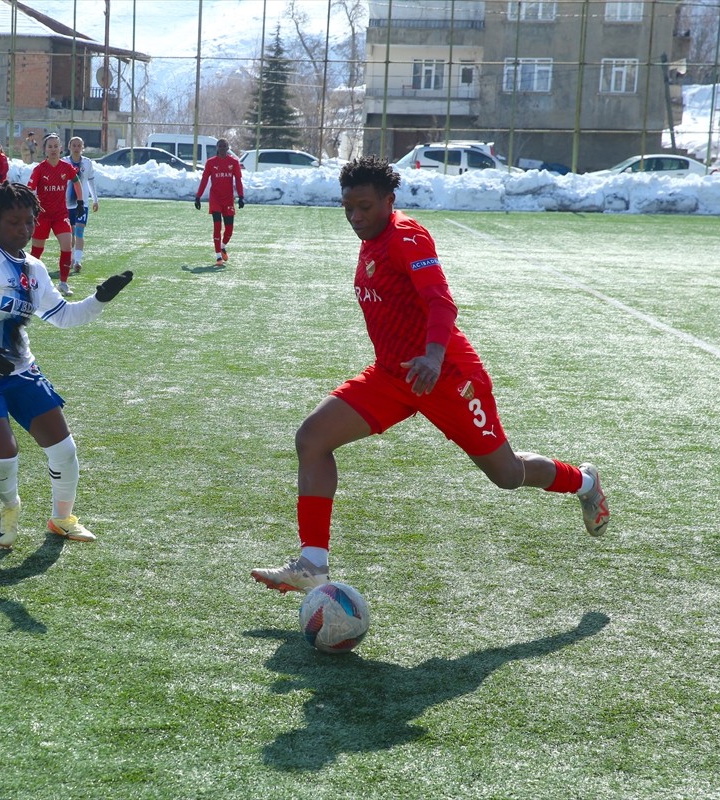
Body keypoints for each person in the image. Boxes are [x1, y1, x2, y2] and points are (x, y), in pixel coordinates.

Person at [250, 155, 610, 594]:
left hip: (448, 377)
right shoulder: (372, 238)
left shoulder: (407, 237)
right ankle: (313, 564)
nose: (355, 216)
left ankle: (584, 482)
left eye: (364, 206)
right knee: (312, 438)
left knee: (507, 475)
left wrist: (434, 357)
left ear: (389, 200)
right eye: (348, 207)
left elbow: (441, 302)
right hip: (393, 377)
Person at [0, 181, 133, 550]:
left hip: (22, 372)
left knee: (64, 449)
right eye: (12, 222)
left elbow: (64, 317)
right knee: (4, 450)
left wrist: (100, 299)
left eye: (28, 222)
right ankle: (10, 505)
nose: (23, 230)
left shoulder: (34, 269)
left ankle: (62, 518)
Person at [26, 133, 83, 296]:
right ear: (44, 149)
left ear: (61, 149)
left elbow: (76, 181)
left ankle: (63, 283)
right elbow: (29, 190)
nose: (53, 149)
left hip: (60, 215)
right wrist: (30, 208)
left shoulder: (66, 167)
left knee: (66, 246)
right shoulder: (39, 169)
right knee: (37, 251)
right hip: (42, 216)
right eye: (49, 146)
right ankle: (29, 281)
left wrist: (80, 202)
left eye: (56, 146)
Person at [193, 138, 244, 267]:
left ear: (228, 148)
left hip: (228, 199)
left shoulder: (234, 162)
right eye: (220, 146)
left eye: (224, 146)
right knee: (217, 227)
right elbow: (204, 180)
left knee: (229, 230)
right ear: (217, 147)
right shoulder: (211, 163)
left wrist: (241, 196)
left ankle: (223, 246)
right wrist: (198, 197)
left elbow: (238, 180)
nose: (222, 148)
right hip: (215, 199)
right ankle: (218, 257)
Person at [62, 136, 99, 273]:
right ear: (69, 147)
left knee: (79, 231)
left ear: (82, 147)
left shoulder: (87, 163)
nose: (76, 148)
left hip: (81, 203)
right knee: (70, 233)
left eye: (79, 145)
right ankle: (71, 258)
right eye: (74, 145)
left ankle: (78, 261)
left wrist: (95, 199)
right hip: (67, 204)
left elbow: (91, 181)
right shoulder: (64, 162)